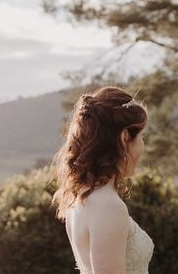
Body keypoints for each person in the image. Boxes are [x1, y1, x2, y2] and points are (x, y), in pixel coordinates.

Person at [52, 86, 154, 274]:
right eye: (141, 136)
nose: (143, 146)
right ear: (124, 138)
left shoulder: (81, 197)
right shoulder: (109, 206)